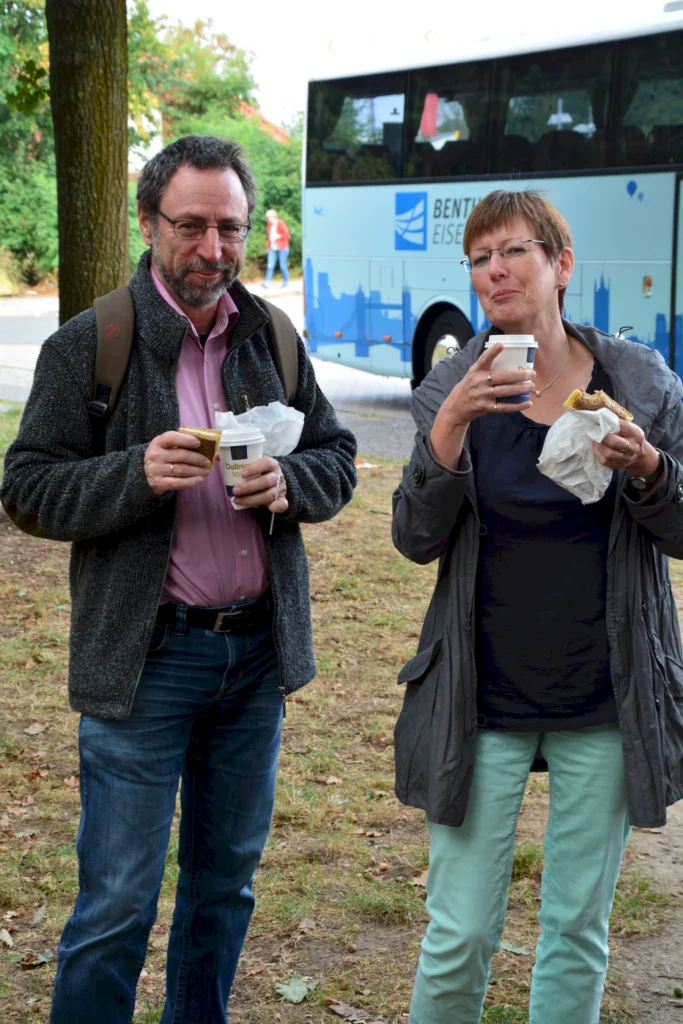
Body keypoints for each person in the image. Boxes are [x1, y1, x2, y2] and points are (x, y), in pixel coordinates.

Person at [0, 134, 357, 1024]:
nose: (213, 250)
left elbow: (338, 455)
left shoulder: (270, 333)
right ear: (149, 222)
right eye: (191, 226)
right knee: (117, 902)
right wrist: (132, 473)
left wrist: (291, 484)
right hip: (147, 660)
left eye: (229, 228)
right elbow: (27, 487)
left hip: (253, 663)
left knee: (223, 889)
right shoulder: (97, 342)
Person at [392, 188, 683, 1024]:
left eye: (512, 251)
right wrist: (447, 426)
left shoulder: (638, 381)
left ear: (559, 265)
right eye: (479, 259)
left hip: (604, 692)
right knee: (459, 932)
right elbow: (413, 539)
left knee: (575, 930)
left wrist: (649, 471)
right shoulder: (454, 385)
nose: (493, 272)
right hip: (480, 697)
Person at [262, 207, 291, 288]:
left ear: (273, 216)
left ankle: (286, 281)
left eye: (268, 217)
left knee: (282, 265)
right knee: (270, 265)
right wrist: (268, 247)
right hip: (272, 248)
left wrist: (279, 236)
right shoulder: (269, 225)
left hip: (282, 248)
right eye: (267, 217)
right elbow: (269, 237)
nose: (268, 219)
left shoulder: (280, 223)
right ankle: (267, 282)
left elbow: (287, 235)